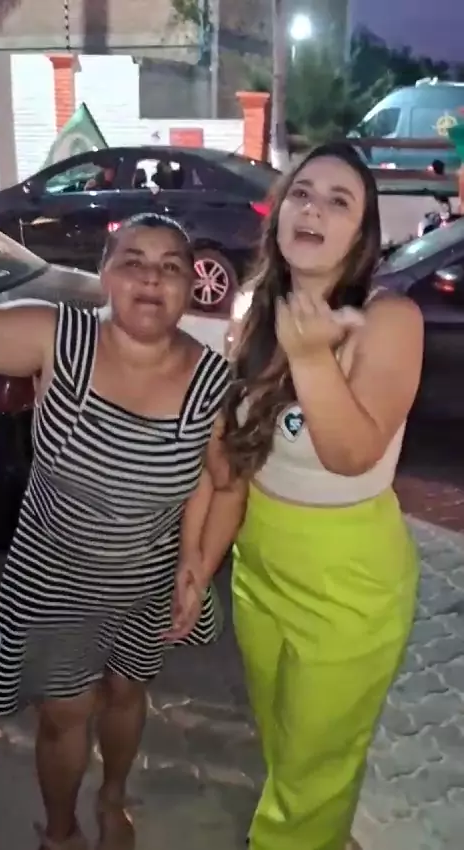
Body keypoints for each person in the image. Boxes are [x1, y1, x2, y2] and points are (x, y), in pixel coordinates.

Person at [182, 142, 424, 850]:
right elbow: (231, 464)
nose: (313, 208)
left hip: (349, 580)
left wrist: (314, 357)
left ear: (361, 235)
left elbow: (352, 455)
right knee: (286, 744)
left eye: (338, 201)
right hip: (261, 568)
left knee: (317, 764)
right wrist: (197, 562)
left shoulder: (388, 319)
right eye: (302, 192)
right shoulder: (253, 308)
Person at [0, 213, 241, 850]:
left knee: (127, 694)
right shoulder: (58, 336)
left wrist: (197, 564)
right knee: (64, 713)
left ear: (191, 287)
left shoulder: (212, 383)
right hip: (55, 580)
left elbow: (227, 482)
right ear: (104, 276)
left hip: (145, 583)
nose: (151, 278)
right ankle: (61, 833)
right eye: (133, 261)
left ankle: (113, 798)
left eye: (170, 267)